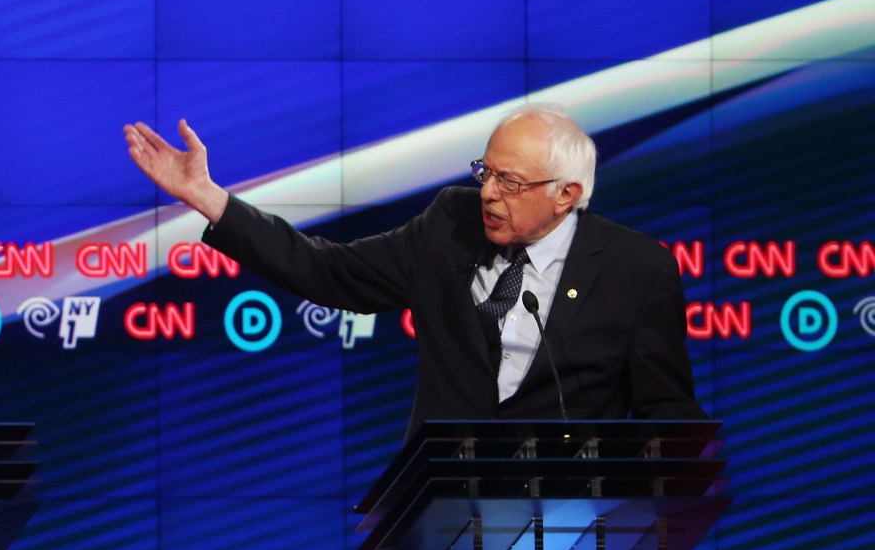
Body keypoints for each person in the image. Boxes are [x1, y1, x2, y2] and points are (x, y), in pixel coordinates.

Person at [124, 103, 705, 435]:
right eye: (486, 172)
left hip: (572, 535)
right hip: (445, 526)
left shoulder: (637, 269)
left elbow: (668, 409)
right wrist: (210, 198)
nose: (488, 193)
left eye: (510, 181)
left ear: (566, 194)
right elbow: (328, 272)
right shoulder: (449, 224)